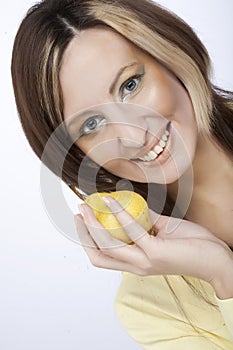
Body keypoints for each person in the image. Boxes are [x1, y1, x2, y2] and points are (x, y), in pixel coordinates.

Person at [11, 0, 233, 348]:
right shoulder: (149, 309)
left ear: (168, 52)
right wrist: (222, 274)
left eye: (130, 86)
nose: (133, 137)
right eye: (92, 124)